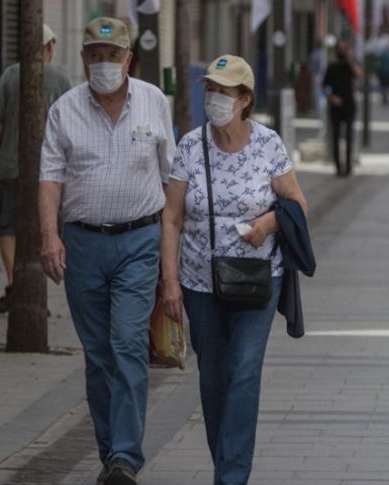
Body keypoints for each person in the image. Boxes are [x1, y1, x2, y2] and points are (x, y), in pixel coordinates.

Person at [39, 17, 175, 485]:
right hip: (82, 244)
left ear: (128, 59)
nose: (103, 64)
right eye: (95, 55)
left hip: (139, 242)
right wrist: (49, 236)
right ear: (83, 60)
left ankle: (125, 457)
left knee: (128, 345)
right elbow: (50, 177)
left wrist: (174, 255)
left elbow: (170, 178)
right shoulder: (64, 110)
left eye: (112, 55)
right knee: (98, 356)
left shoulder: (154, 102)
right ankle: (108, 452)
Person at [160, 55, 307, 484]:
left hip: (259, 279)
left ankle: (231, 477)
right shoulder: (190, 146)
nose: (213, 99)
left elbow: (296, 204)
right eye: (210, 90)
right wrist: (169, 280)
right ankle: (225, 464)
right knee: (213, 377)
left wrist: (268, 222)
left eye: (223, 92)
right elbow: (170, 218)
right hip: (198, 281)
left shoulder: (268, 144)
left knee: (243, 372)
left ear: (244, 100)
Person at [0, 24, 71, 314]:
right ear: (47, 48)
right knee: (48, 227)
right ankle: (35, 286)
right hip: (51, 172)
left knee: (7, 226)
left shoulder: (9, 75)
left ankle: (14, 282)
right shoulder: (61, 80)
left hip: (10, 166)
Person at [323, 41, 363, 176]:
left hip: (349, 106)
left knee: (349, 136)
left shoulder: (350, 66)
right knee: (335, 137)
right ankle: (338, 166)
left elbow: (359, 75)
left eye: (344, 49)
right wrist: (332, 98)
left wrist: (350, 61)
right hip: (335, 107)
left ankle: (348, 166)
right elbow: (324, 86)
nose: (342, 51)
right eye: (340, 49)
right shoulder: (332, 67)